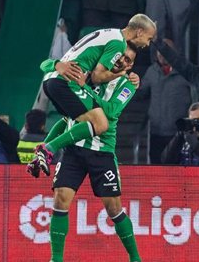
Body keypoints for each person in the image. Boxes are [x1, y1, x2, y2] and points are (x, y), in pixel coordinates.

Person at [30, 46, 145, 262]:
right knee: (60, 199)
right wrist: (57, 65)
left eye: (127, 60)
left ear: (131, 66)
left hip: (101, 152)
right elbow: (65, 118)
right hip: (74, 149)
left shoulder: (127, 85)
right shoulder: (89, 72)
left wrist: (86, 90)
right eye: (119, 57)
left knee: (113, 209)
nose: (121, 61)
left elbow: (111, 112)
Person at [29, 14, 157, 176]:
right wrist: (123, 74)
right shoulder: (118, 43)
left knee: (69, 119)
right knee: (101, 124)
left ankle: (39, 157)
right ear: (139, 32)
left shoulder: (108, 33)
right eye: (149, 38)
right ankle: (48, 150)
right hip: (68, 81)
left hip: (52, 80)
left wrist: (56, 65)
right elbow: (97, 77)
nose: (147, 44)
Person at [137, 44, 192, 164]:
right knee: (156, 170)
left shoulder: (185, 71)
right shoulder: (152, 71)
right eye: (159, 51)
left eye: (167, 51)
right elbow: (141, 93)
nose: (162, 54)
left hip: (178, 133)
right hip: (156, 132)